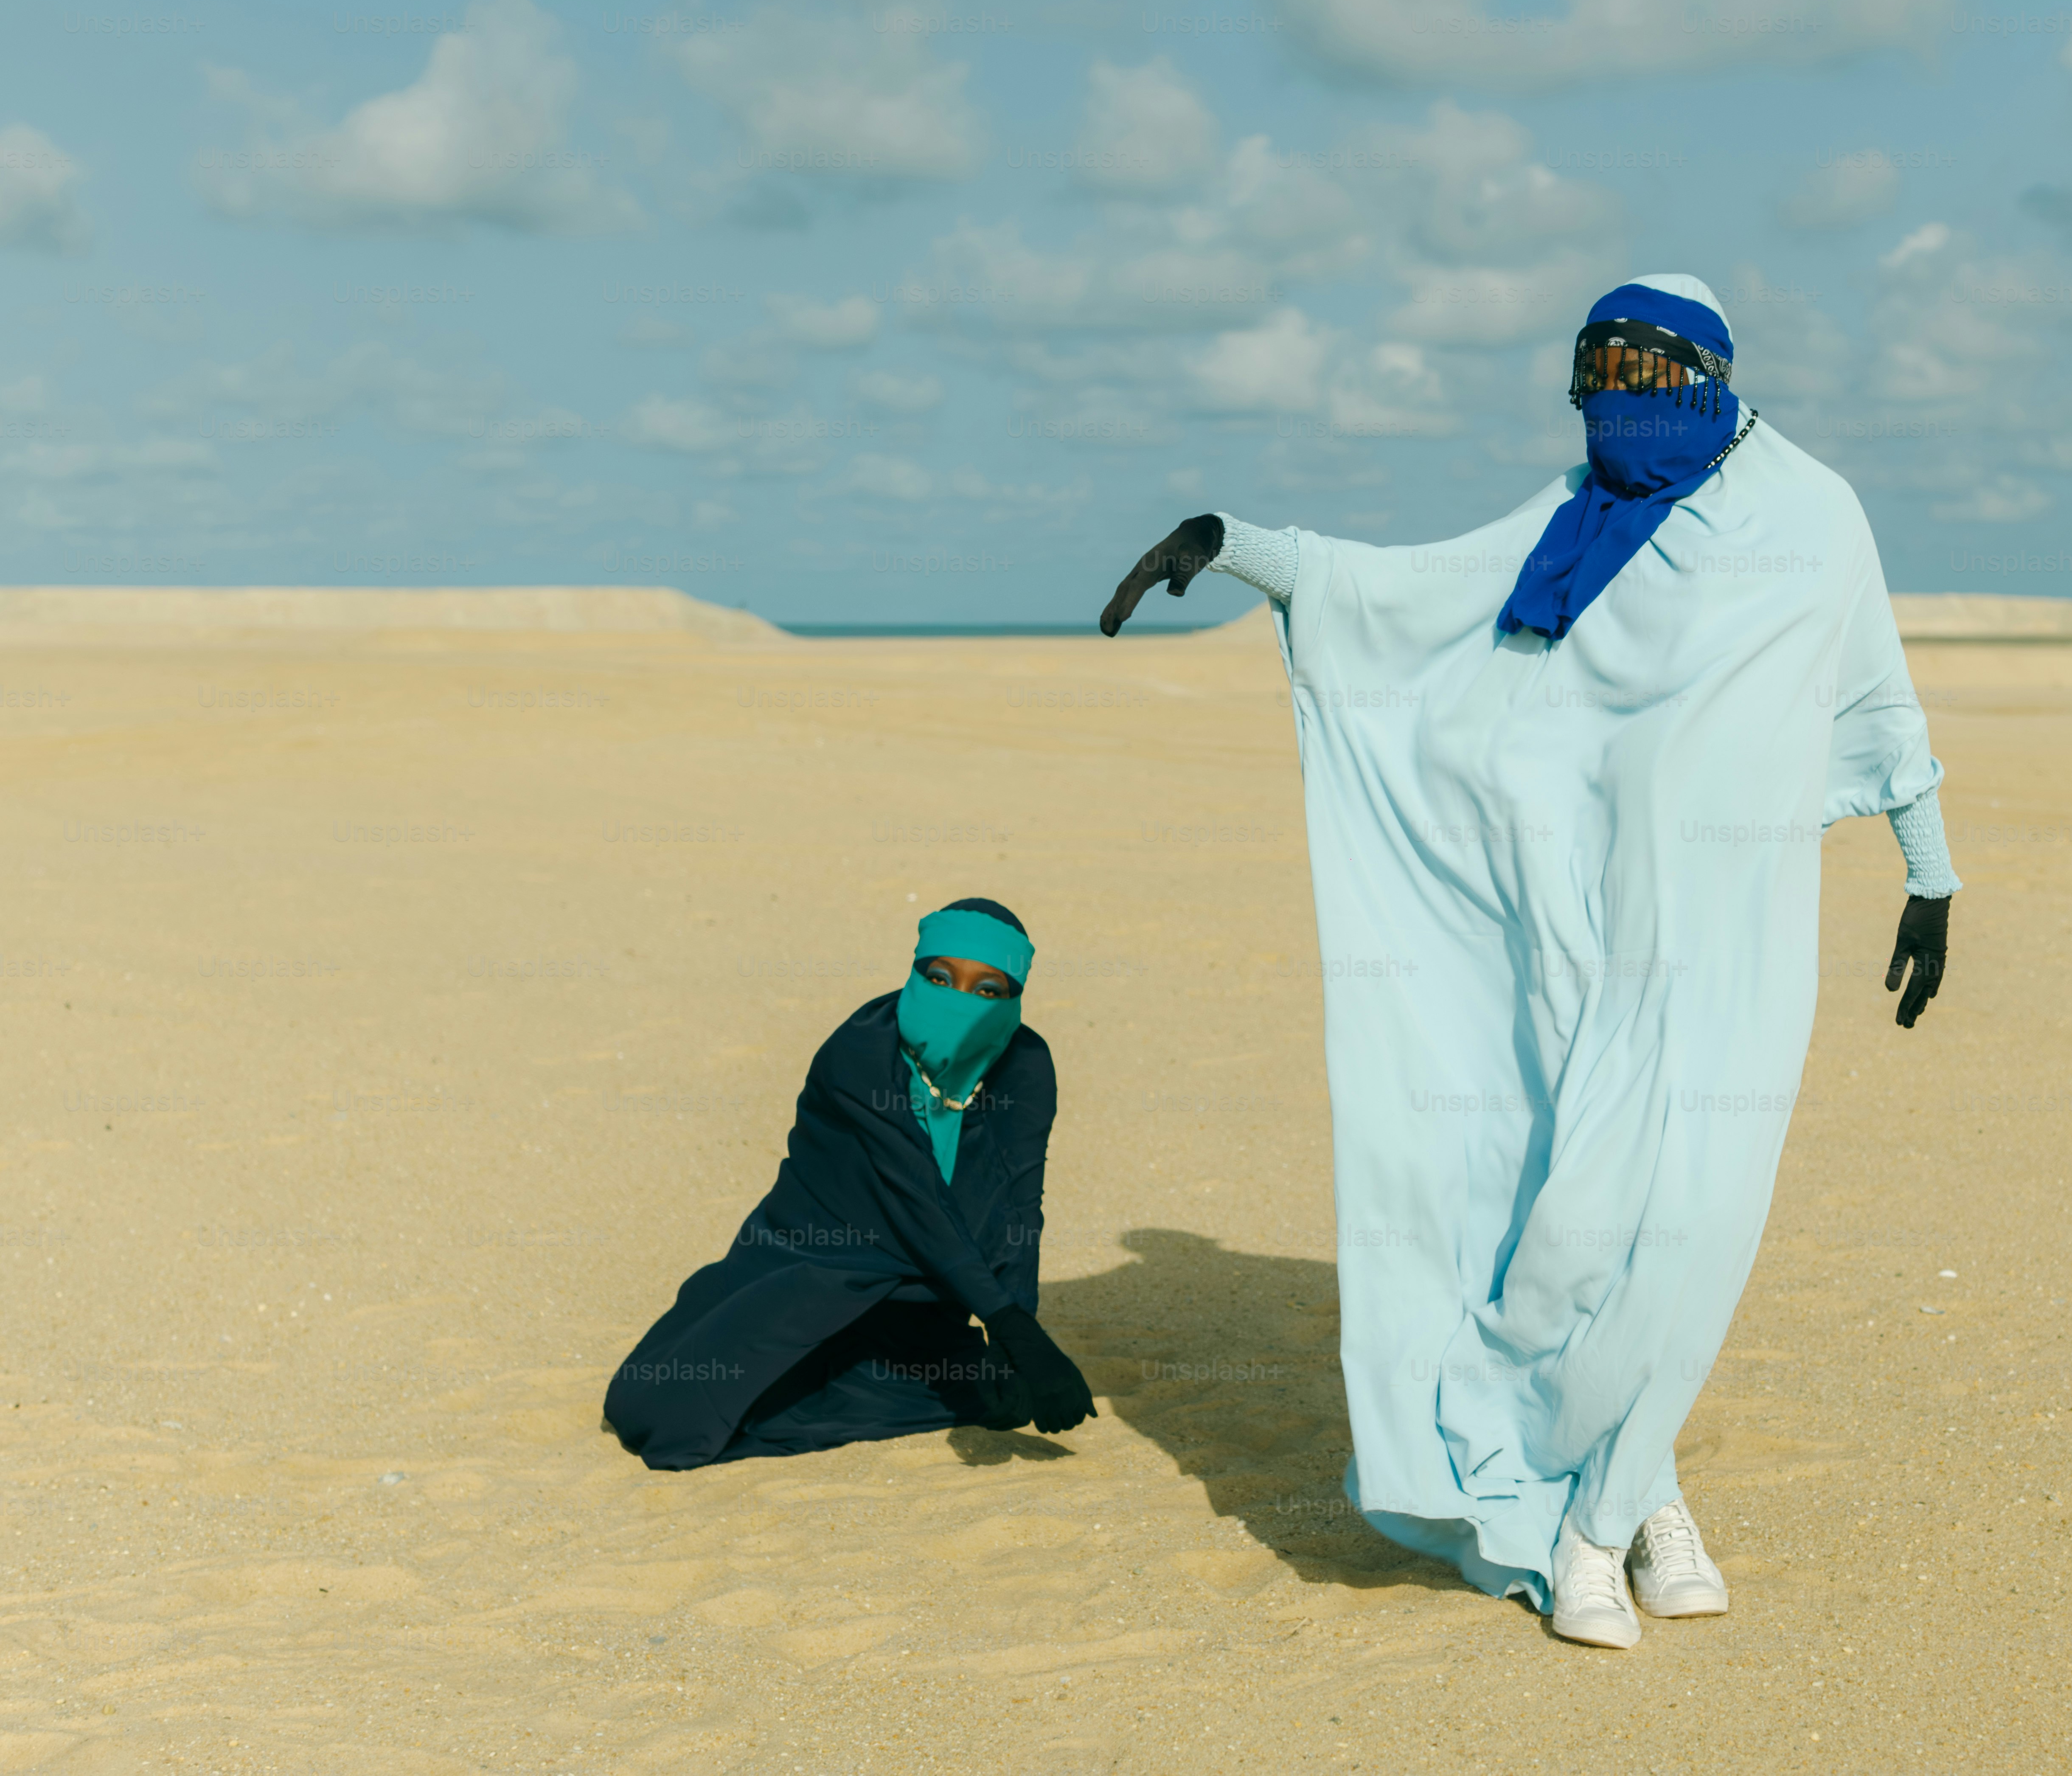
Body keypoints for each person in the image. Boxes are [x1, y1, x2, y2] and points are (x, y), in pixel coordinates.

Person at [1098, 275, 1961, 1647]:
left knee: (1691, 1222)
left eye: (1643, 367)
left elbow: (1874, 696)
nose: (1616, 393)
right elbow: (1398, 595)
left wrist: (1928, 872)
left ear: (1709, 373)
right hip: (1566, 936)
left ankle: (1598, 1523)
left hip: (1730, 944)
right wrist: (1235, 542)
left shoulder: (1810, 517)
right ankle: (1636, 1496)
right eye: (1592, 369)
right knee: (1568, 1227)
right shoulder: (1570, 516)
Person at [603, 899, 1098, 1470]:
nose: (959, 1000)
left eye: (988, 990)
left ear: (1013, 1000)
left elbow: (1021, 1201)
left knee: (980, 1391)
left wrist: (1019, 1339)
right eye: (939, 978)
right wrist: (1006, 1320)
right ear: (915, 973)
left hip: (935, 1284)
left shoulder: (1026, 1062)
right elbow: (914, 1200)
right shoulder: (860, 1052)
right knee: (662, 1410)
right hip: (820, 1260)